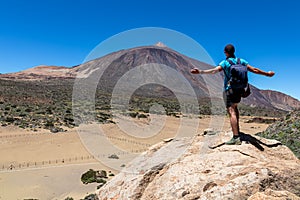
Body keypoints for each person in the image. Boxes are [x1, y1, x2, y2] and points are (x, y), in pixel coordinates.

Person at [190, 44, 275, 145]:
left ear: (225, 52)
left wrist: (200, 71)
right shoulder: (241, 61)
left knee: (231, 111)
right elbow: (254, 70)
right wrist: (267, 74)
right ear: (234, 52)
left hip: (229, 89)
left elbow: (214, 71)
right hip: (240, 89)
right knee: (235, 108)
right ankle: (237, 131)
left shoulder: (225, 63)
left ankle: (236, 137)